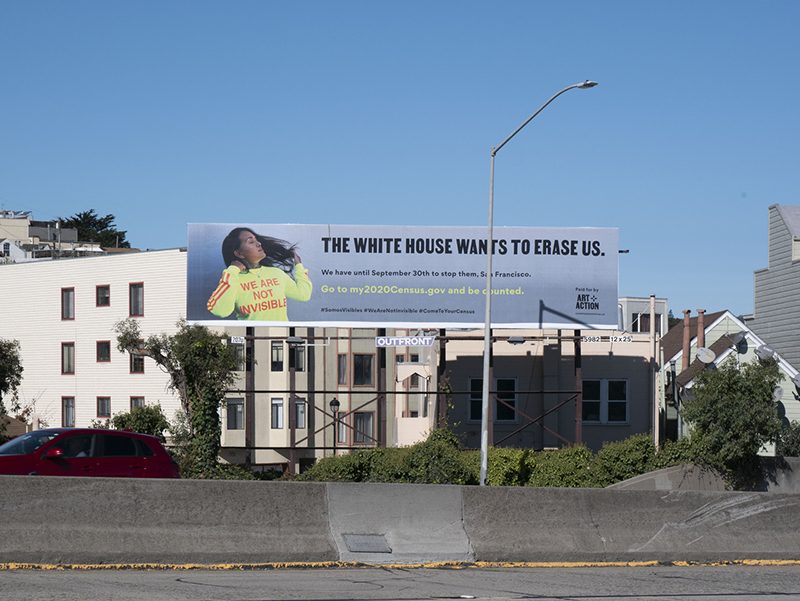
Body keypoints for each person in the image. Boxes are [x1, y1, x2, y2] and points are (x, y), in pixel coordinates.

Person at [207, 227, 312, 321]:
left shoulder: (276, 273)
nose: (259, 243)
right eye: (251, 242)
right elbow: (220, 311)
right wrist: (232, 270)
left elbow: (303, 294)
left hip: (281, 336)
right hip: (251, 338)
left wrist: (299, 267)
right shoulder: (233, 279)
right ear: (239, 253)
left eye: (256, 240)